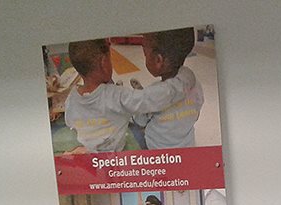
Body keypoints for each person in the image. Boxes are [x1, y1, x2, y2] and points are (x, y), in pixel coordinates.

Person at [63, 38, 195, 153]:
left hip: (87, 151)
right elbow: (150, 100)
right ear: (104, 63)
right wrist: (184, 80)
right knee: (136, 116)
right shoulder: (116, 96)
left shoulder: (71, 99)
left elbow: (70, 122)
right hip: (112, 153)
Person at [136, 28, 203, 149]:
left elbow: (139, 121)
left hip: (158, 152)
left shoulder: (154, 93)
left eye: (145, 51)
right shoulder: (195, 85)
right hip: (187, 147)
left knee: (133, 129)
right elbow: (197, 113)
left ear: (158, 60)